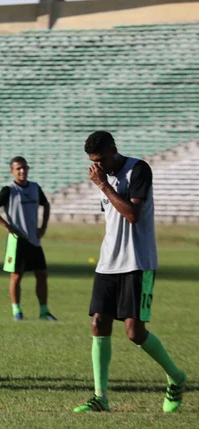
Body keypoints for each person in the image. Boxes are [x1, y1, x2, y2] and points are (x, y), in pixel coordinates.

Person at [73, 131, 186, 413]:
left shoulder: (138, 169)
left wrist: (104, 187)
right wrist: (104, 184)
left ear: (113, 150)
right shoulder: (105, 176)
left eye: (100, 160)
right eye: (92, 162)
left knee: (135, 333)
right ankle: (101, 398)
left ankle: (176, 377)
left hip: (138, 263)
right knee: (99, 324)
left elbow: (133, 215)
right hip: (107, 262)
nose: (97, 166)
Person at [0, 156, 56, 321]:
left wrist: (43, 226)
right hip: (17, 241)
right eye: (18, 168)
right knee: (16, 276)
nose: (22, 171)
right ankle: (17, 311)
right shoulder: (9, 190)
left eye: (24, 167)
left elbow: (46, 204)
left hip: (34, 240)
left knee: (41, 274)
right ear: (12, 171)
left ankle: (44, 311)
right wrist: (7, 226)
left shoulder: (35, 187)